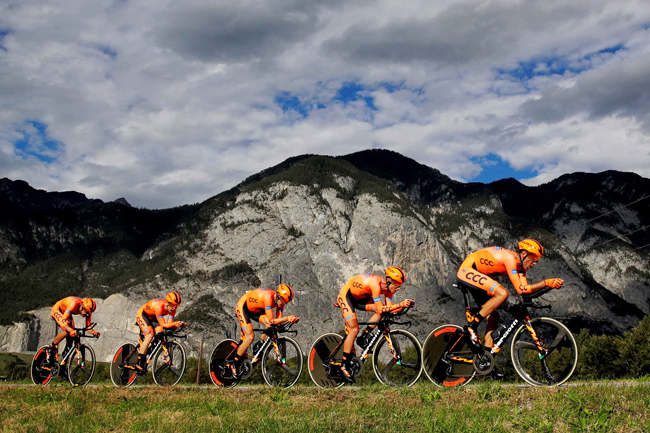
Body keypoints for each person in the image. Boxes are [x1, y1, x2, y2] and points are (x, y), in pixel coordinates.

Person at [456, 239, 564, 352]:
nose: (535, 263)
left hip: (481, 275)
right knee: (502, 293)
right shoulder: (510, 259)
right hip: (468, 269)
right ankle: (472, 326)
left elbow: (524, 290)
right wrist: (546, 283)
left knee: (494, 317)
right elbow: (520, 288)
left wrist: (550, 286)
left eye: (537, 260)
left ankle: (486, 357)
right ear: (523, 254)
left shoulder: (521, 268)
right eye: (534, 258)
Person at [336, 266, 415, 382]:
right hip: (347, 296)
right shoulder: (375, 285)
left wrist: (405, 306)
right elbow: (381, 309)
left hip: (361, 298)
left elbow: (388, 309)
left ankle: (363, 337)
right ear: (388, 282)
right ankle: (343, 366)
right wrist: (401, 304)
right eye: (397, 286)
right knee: (353, 329)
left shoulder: (388, 290)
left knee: (381, 311)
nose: (398, 289)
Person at [231, 284, 299, 377]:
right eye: (283, 301)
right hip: (244, 307)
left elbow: (277, 322)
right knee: (250, 336)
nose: (283, 304)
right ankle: (234, 363)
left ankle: (260, 344)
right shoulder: (268, 297)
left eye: (285, 303)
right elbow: (272, 321)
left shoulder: (280, 301)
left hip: (257, 309)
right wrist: (288, 318)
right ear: (278, 295)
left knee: (270, 325)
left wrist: (292, 320)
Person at [134, 291, 185, 371]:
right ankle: (139, 361)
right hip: (142, 314)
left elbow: (168, 325)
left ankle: (148, 348)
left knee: (160, 332)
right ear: (168, 303)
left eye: (176, 306)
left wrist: (178, 325)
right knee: (150, 334)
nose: (174, 308)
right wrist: (175, 324)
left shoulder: (172, 310)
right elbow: (164, 324)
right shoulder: (159, 307)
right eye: (172, 306)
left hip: (153, 317)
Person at [49, 296, 100, 363]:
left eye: (89, 313)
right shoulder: (74, 304)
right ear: (82, 307)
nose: (87, 315)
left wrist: (94, 333)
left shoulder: (87, 311)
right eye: (86, 312)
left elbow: (88, 327)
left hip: (66, 311)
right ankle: (51, 347)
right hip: (57, 309)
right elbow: (63, 321)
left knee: (70, 341)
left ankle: (62, 366)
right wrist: (71, 330)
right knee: (68, 329)